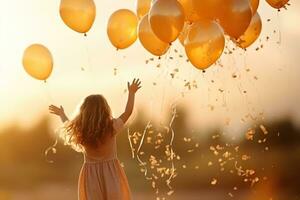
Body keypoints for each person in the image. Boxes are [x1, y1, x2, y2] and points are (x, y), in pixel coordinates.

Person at [49, 78, 142, 200]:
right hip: (111, 174)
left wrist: (62, 114)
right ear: (105, 110)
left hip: (90, 176)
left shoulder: (81, 131)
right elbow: (128, 112)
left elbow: (68, 125)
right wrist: (131, 93)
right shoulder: (110, 127)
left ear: (84, 112)